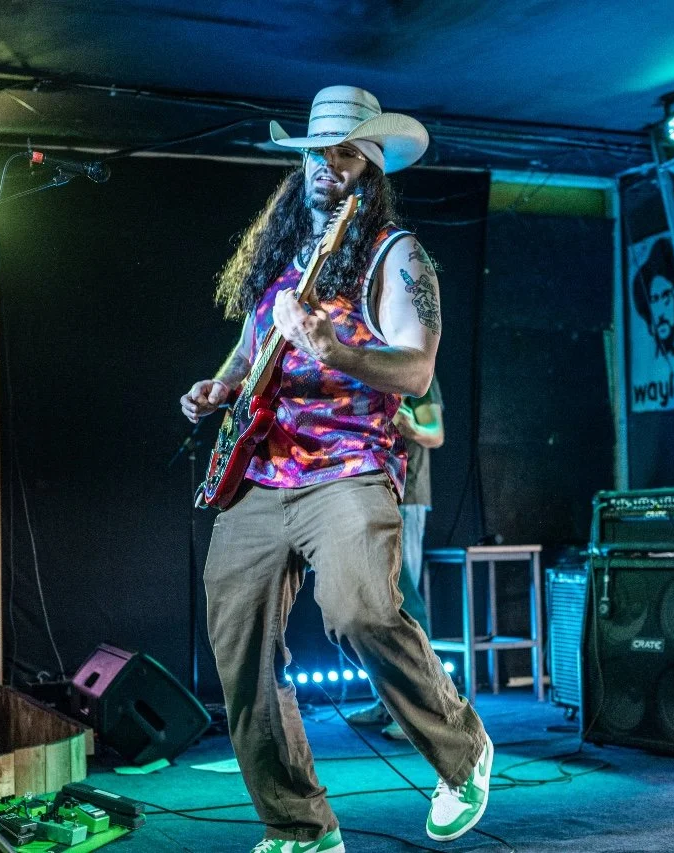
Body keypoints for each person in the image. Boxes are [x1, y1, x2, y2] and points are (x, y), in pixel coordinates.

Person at [180, 86, 491, 853]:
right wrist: (218, 387)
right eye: (316, 153)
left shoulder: (397, 256)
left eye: (344, 154)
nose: (326, 165)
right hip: (259, 477)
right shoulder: (281, 264)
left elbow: (416, 370)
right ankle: (300, 827)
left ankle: (462, 749)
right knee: (241, 653)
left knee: (357, 610)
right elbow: (251, 359)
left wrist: (335, 348)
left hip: (348, 467)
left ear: (371, 169)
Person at [346, 377, 444, 741]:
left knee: (404, 603)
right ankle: (387, 701)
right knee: (374, 606)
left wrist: (411, 425)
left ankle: (425, 710)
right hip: (368, 494)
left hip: (406, 496)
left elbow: (435, 434)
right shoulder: (362, 364)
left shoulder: (415, 369)